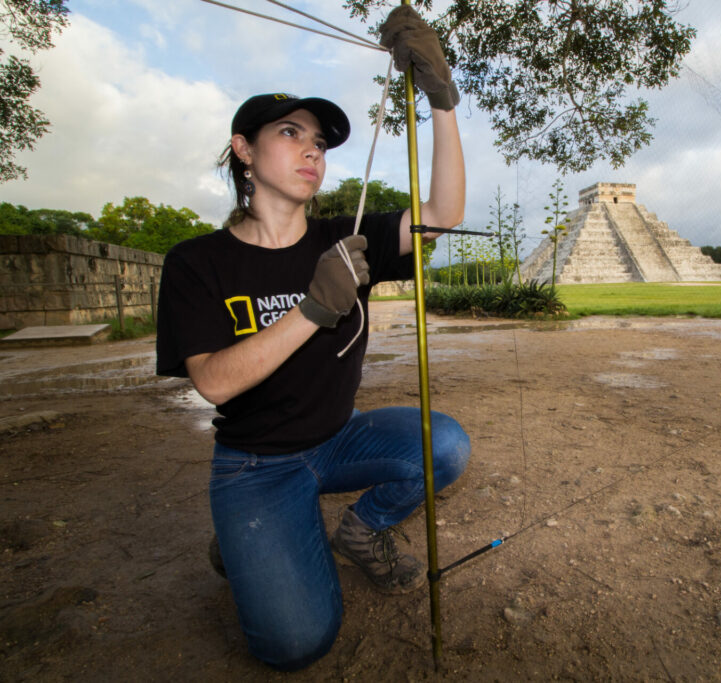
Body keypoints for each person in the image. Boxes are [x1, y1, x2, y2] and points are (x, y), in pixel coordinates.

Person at [155, 7, 469, 672]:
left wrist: (441, 98)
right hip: (256, 464)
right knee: (300, 642)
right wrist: (313, 307)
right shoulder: (195, 262)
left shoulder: (344, 239)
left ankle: (362, 530)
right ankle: (244, 541)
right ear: (243, 149)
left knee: (445, 445)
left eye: (321, 144)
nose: (311, 150)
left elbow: (442, 214)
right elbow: (211, 380)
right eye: (291, 133)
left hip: (338, 436)